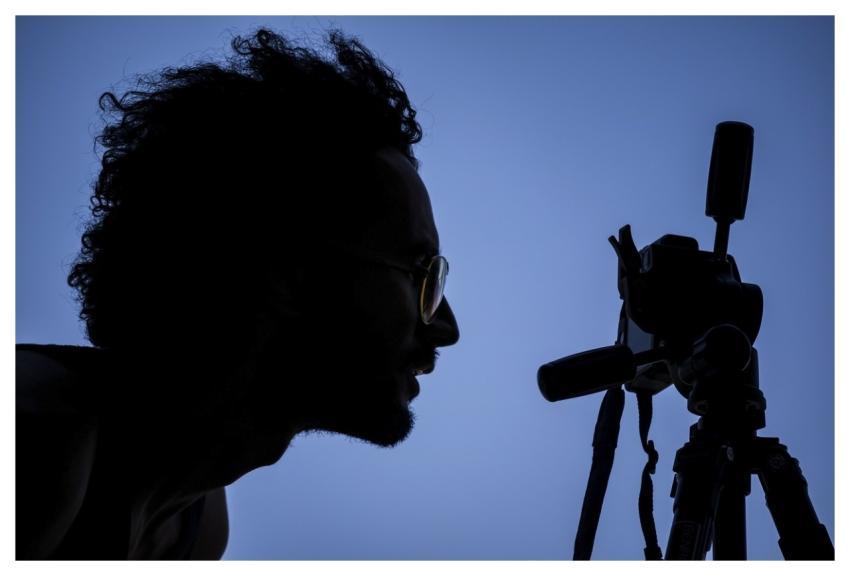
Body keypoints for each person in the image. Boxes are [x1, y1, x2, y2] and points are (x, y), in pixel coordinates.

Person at [16, 28, 460, 560]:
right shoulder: (31, 439)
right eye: (421, 273)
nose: (445, 327)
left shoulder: (196, 530)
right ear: (288, 268)